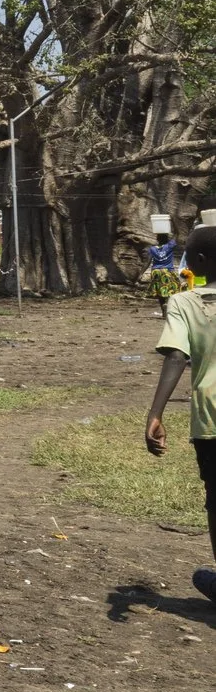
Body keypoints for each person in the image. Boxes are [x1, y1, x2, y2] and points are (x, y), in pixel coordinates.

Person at [147, 226, 216, 603]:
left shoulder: (185, 302)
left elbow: (177, 355)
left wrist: (155, 414)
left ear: (200, 262)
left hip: (212, 417)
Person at [150, 228, 188, 310]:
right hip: (167, 270)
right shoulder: (169, 246)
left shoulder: (152, 248)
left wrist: (141, 273)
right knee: (174, 288)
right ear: (167, 239)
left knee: (160, 290)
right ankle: (168, 305)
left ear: (157, 239)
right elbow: (177, 235)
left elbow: (148, 260)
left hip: (156, 271)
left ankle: (163, 308)